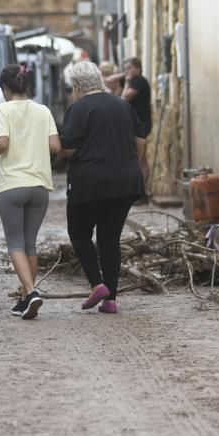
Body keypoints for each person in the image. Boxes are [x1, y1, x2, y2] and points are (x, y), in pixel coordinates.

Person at [0, 64, 61, 320]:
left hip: (12, 185)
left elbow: (2, 143)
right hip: (40, 186)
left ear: (6, 88)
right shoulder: (43, 111)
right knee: (30, 244)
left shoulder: (4, 109)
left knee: (16, 243)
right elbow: (55, 146)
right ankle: (25, 300)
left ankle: (32, 292)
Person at [59, 61, 145, 314]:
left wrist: (54, 145)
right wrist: (128, 163)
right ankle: (111, 300)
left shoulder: (78, 108)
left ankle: (97, 284)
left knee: (79, 232)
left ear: (76, 85)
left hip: (89, 182)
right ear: (98, 80)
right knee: (110, 238)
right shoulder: (122, 104)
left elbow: (70, 147)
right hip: (126, 180)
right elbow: (140, 141)